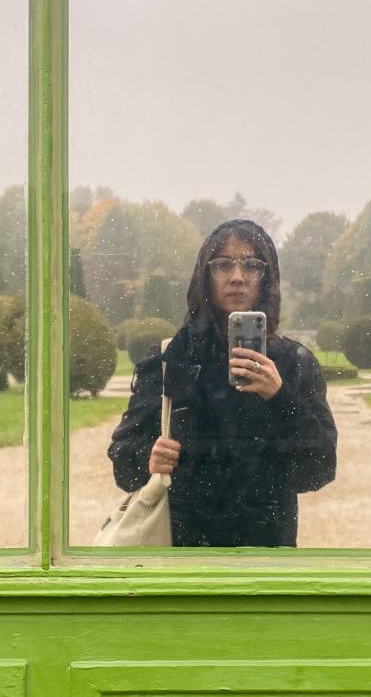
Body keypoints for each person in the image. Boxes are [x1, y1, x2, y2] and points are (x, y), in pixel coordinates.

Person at [108, 219, 337, 547]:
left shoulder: (293, 363)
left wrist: (280, 396)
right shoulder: (171, 358)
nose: (237, 277)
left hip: (266, 557)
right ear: (205, 275)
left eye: (252, 265)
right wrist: (149, 457)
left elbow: (319, 469)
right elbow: (123, 464)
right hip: (182, 555)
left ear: (267, 278)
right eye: (223, 264)